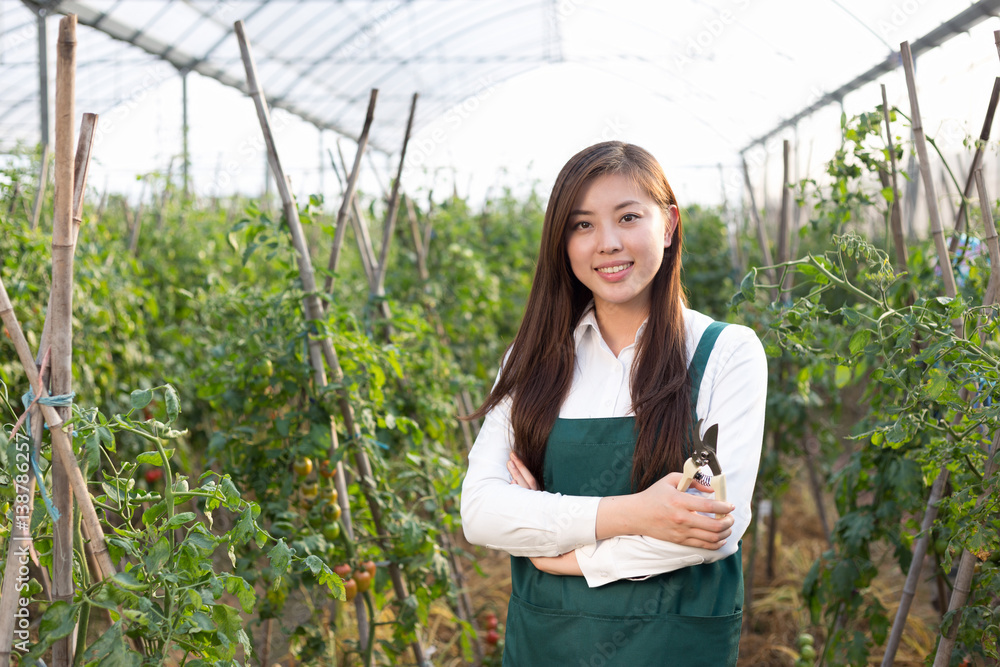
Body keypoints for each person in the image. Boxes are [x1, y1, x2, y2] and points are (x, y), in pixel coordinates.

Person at [460, 141, 767, 666]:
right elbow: (482, 514)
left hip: (674, 645)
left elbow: (713, 531)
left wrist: (562, 557)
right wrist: (638, 512)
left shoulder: (725, 353)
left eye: (628, 217)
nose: (606, 243)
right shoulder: (532, 360)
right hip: (547, 643)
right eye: (582, 225)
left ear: (668, 225)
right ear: (563, 242)